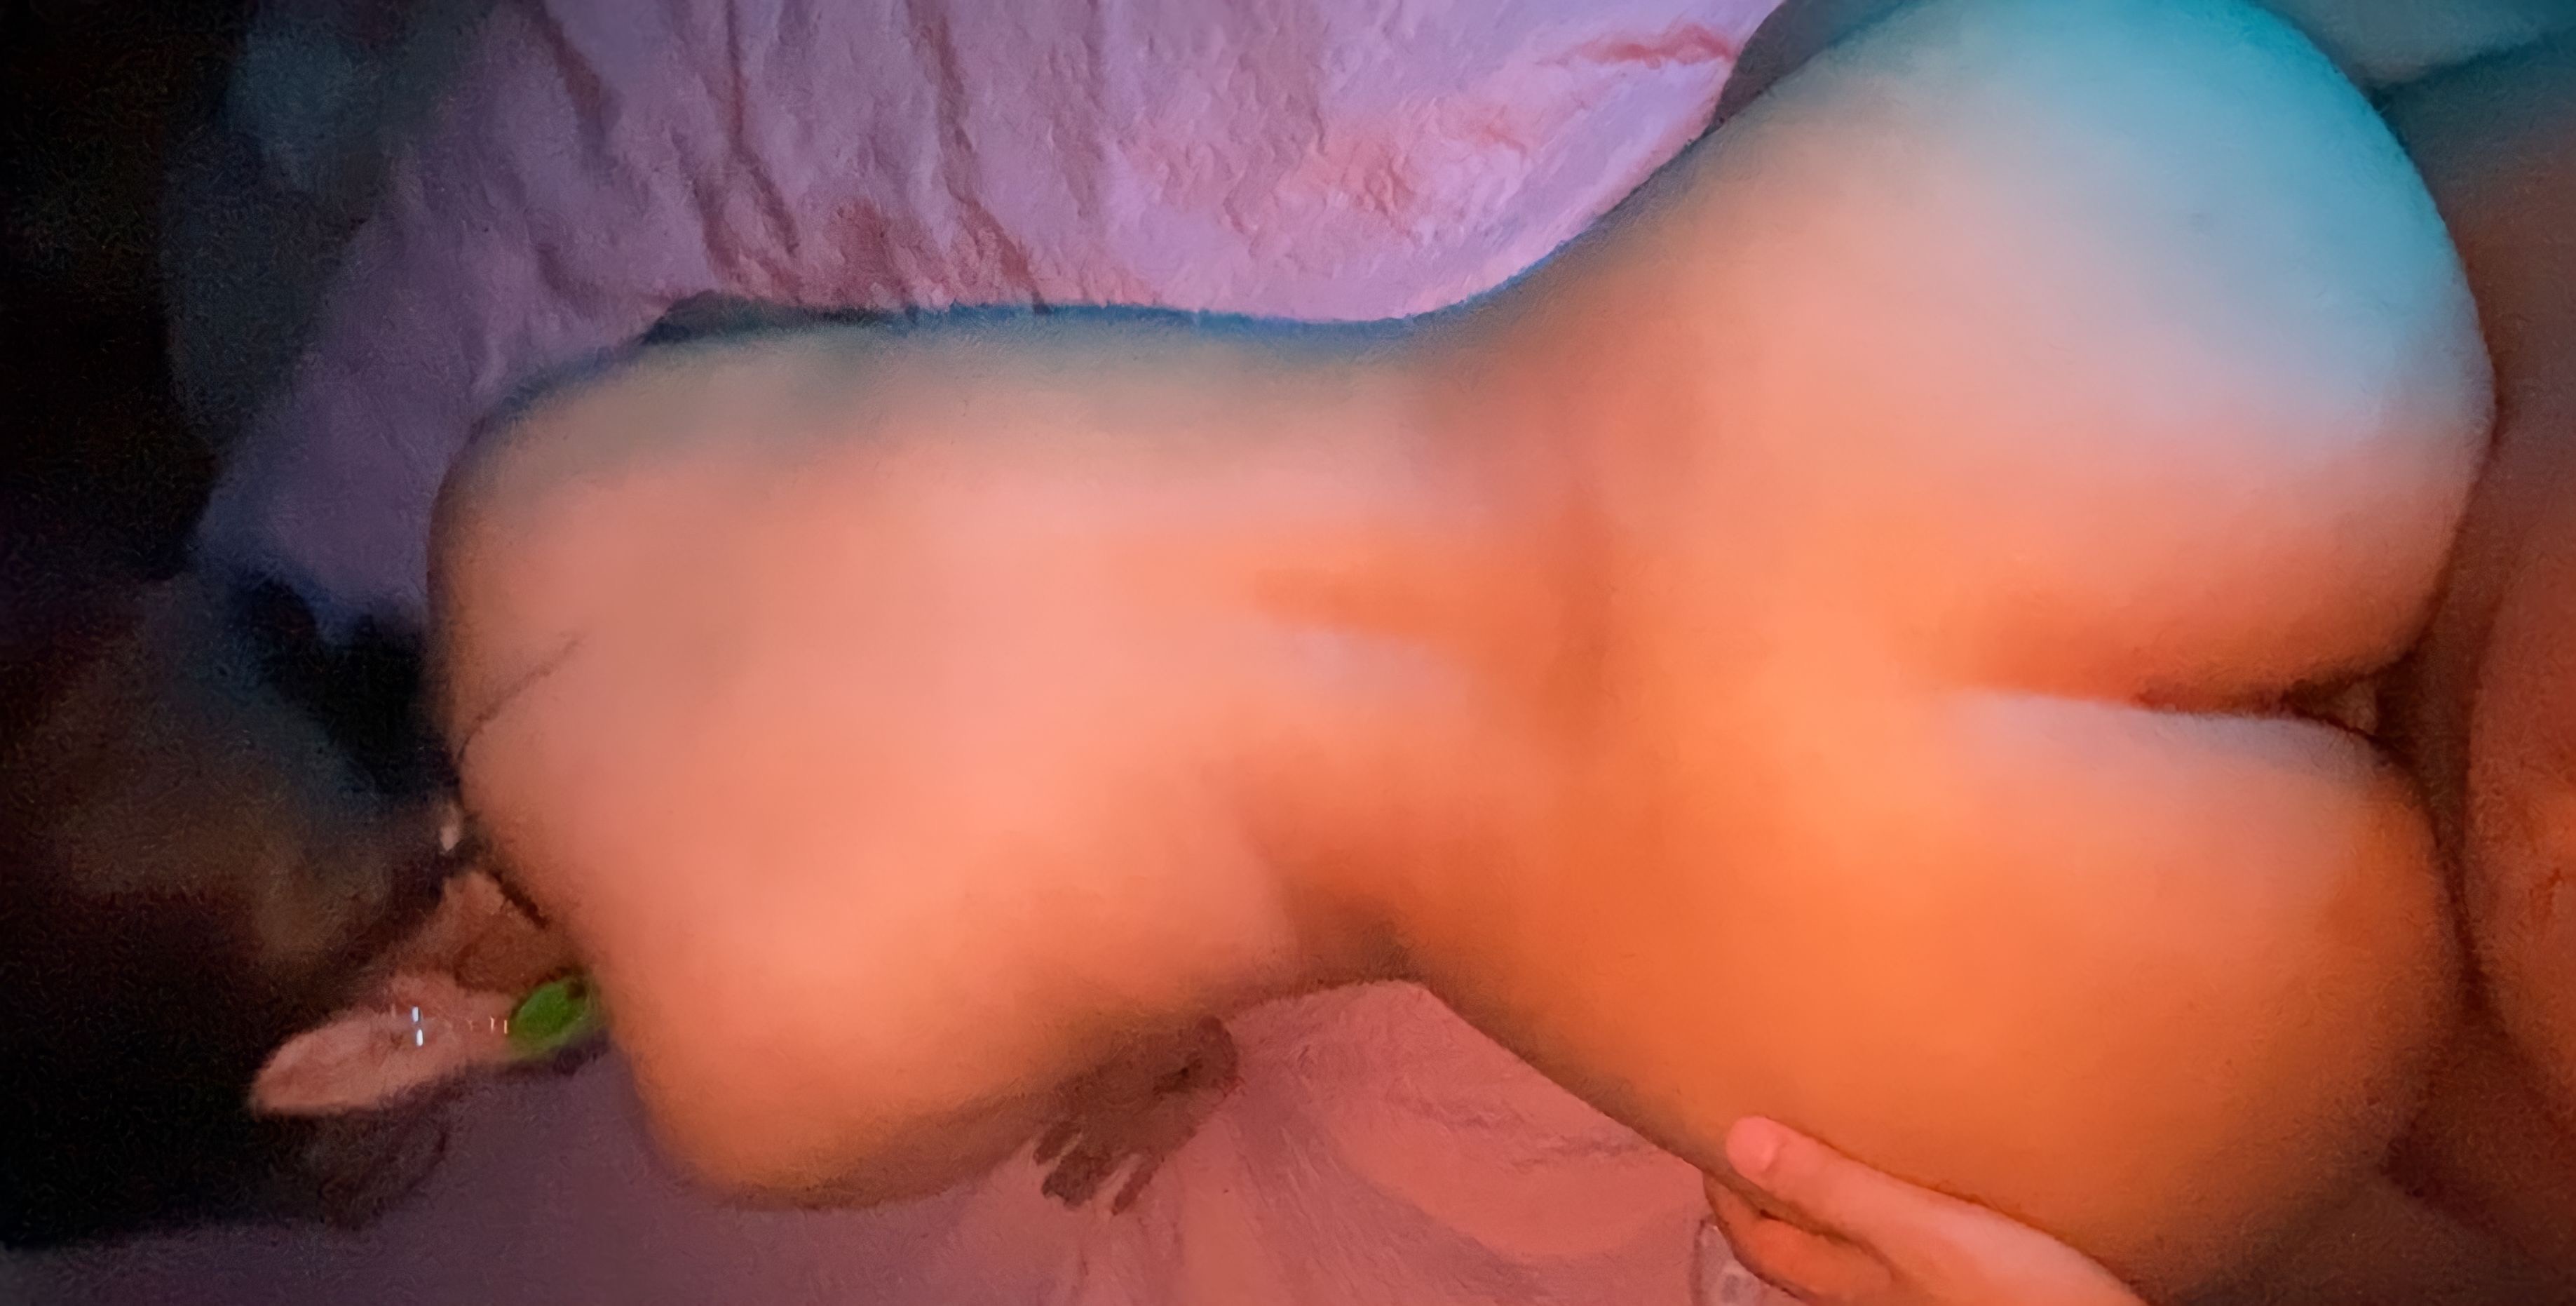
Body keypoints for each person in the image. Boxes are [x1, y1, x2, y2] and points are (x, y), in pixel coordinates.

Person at [428, 0, 2504, 1299]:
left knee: (2408, 1162)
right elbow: (774, 347)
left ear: (351, 1053)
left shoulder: (746, 1109)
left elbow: (1136, 1048)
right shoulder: (524, 469)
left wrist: (1156, 1065)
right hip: (2067, 262)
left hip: (1926, 941)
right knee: (1843, 62)